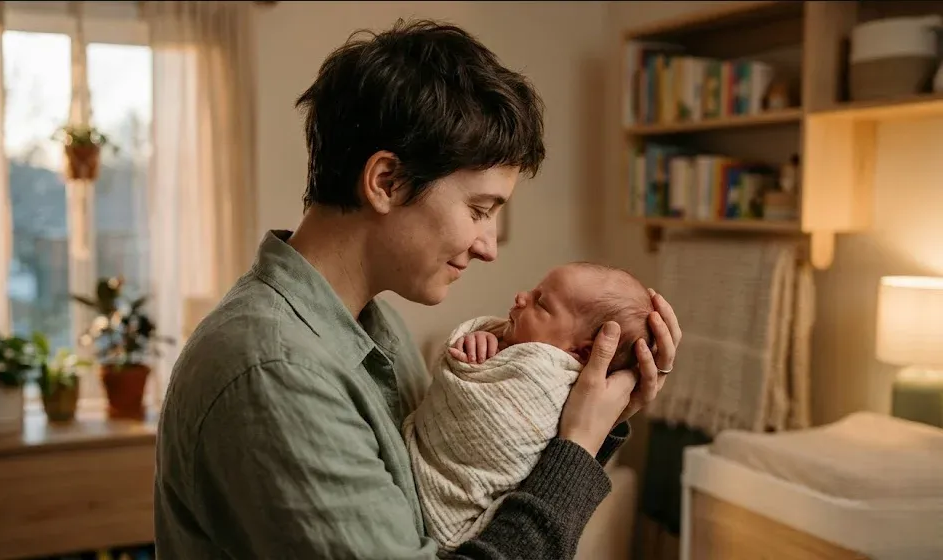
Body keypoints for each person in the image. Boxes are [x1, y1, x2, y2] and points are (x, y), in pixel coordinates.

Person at [153, 19, 682, 560]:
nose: (488, 247)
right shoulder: (275, 370)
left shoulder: (373, 328)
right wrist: (575, 450)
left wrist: (595, 415)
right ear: (387, 181)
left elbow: (469, 495)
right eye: (478, 210)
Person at [405, 263, 655, 551]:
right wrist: (482, 342)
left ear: (582, 352)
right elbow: (461, 378)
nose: (521, 297)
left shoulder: (555, 385)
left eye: (542, 303)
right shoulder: (509, 350)